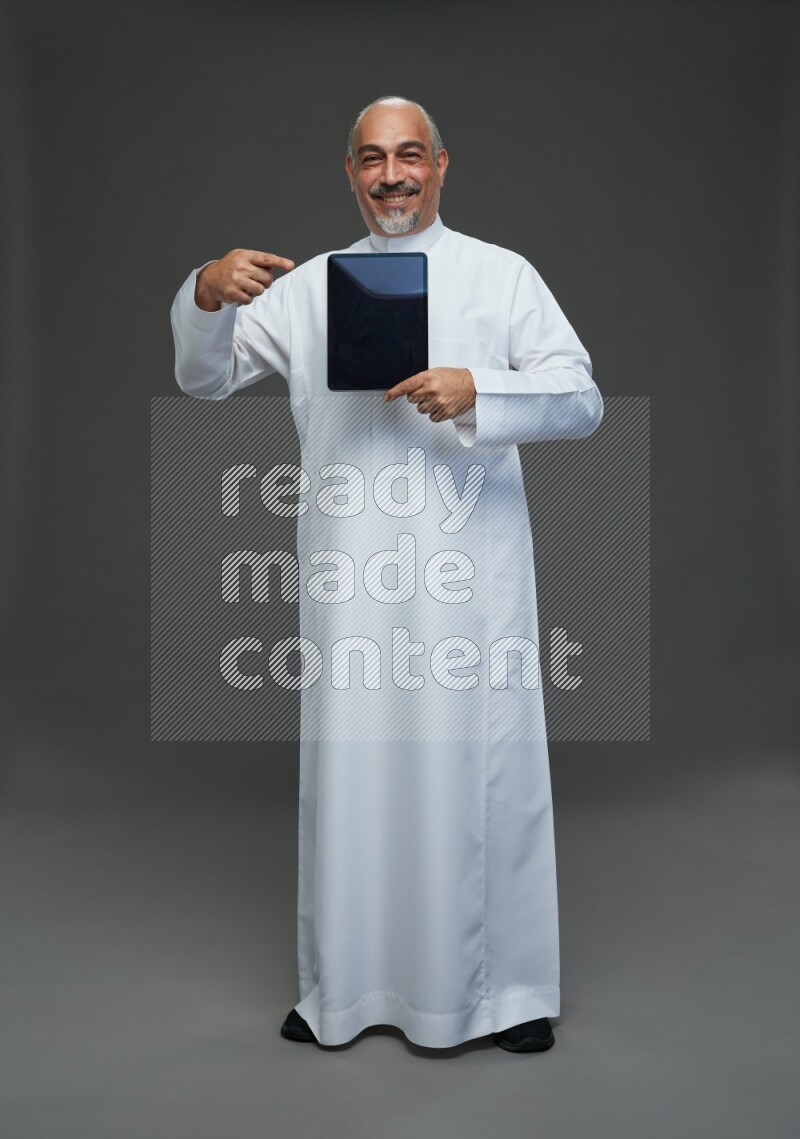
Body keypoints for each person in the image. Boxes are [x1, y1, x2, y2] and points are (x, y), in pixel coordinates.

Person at [170, 95, 603, 1052]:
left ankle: (506, 994)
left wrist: (480, 388)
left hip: (469, 584)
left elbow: (582, 398)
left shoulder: (501, 276)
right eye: (372, 159)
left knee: (479, 780)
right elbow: (205, 378)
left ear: (442, 165)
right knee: (354, 779)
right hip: (350, 578)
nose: (392, 175)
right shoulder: (308, 286)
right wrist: (203, 291)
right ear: (351, 172)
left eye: (410, 155)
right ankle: (347, 987)